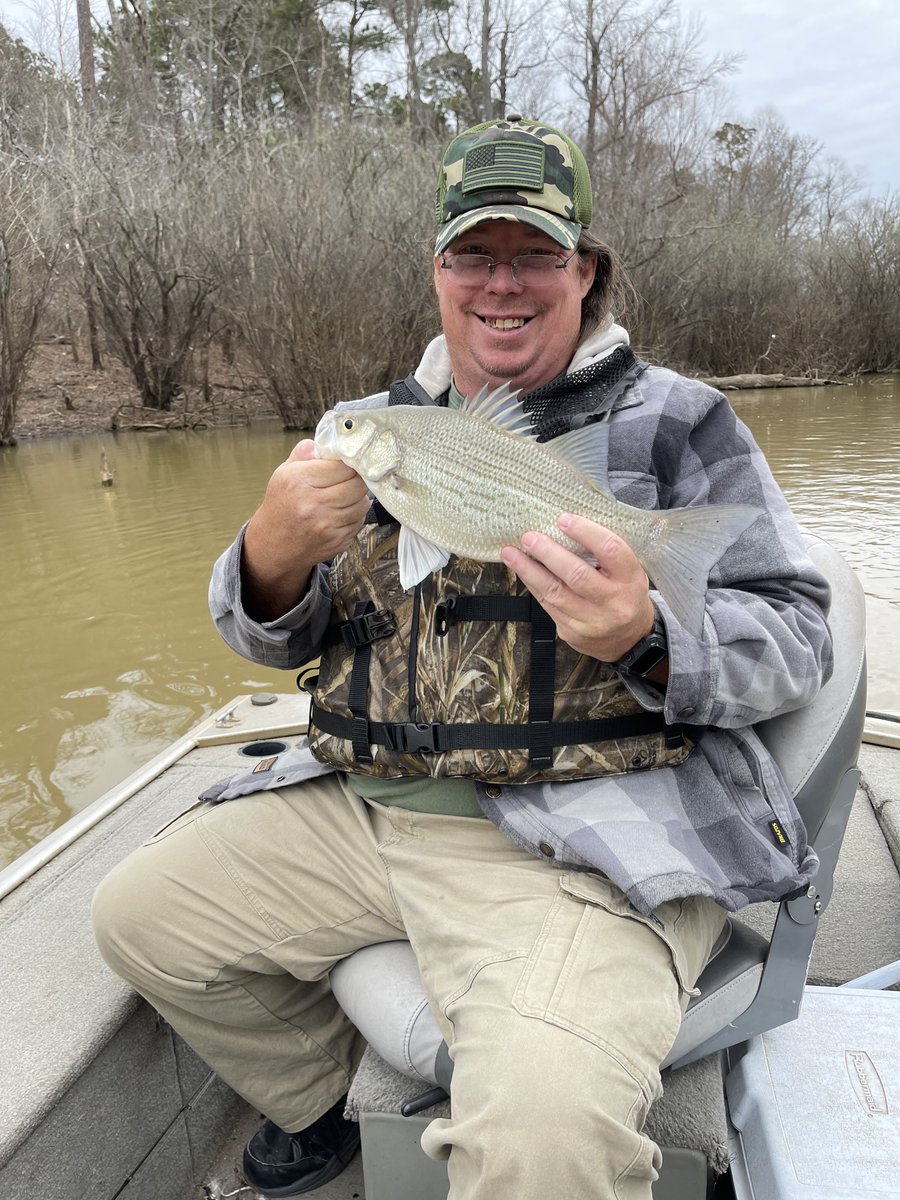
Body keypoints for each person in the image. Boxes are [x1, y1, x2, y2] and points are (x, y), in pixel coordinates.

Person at [92, 117, 833, 1200]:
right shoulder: (381, 428)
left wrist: (650, 636)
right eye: (472, 256)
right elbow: (272, 637)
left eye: (535, 254)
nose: (503, 285)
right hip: (363, 811)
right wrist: (270, 558)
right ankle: (321, 1102)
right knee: (139, 919)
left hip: (585, 842)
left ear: (585, 271)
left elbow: (799, 632)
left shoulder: (680, 421)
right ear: (437, 271)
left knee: (546, 1138)